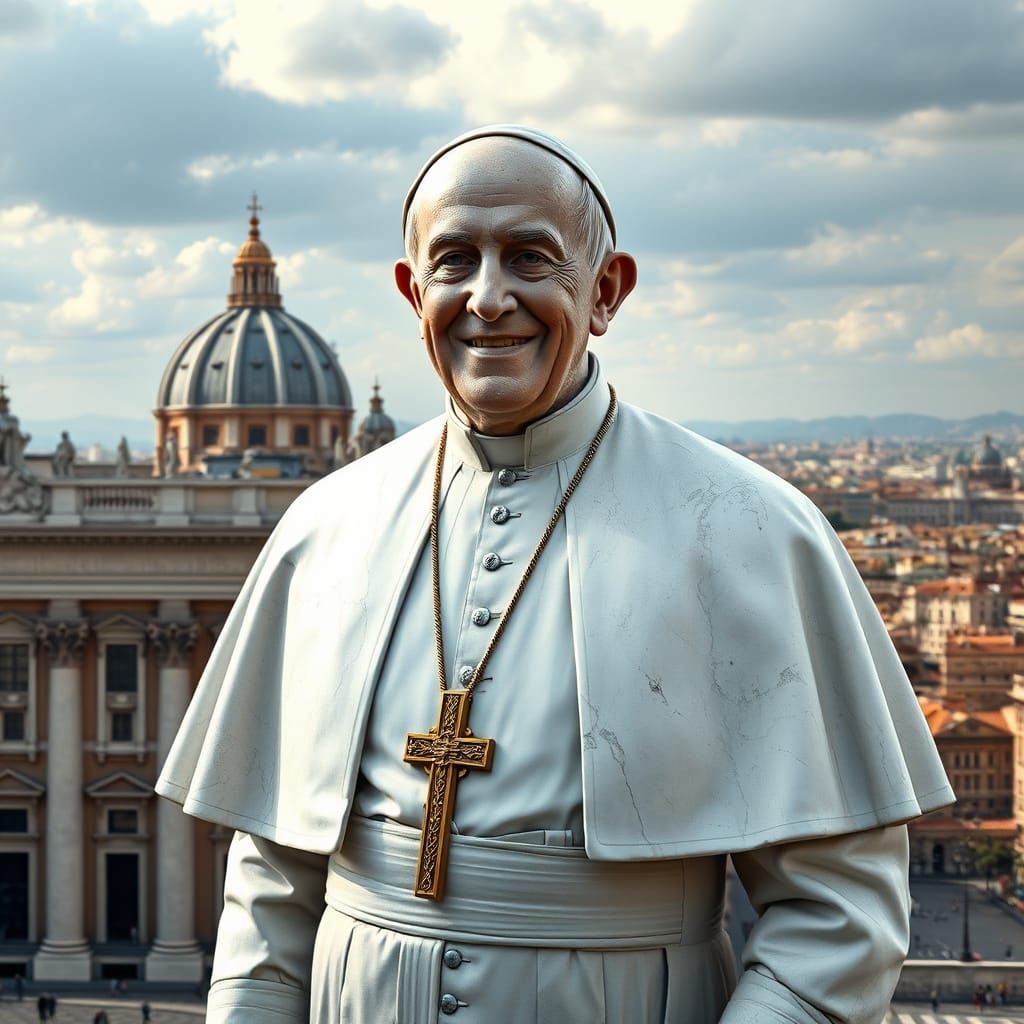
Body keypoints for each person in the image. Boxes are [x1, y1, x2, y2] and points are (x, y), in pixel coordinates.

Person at [158, 125, 954, 1023]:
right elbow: (271, 884)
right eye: (455, 260)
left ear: (607, 290)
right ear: (412, 289)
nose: (489, 298)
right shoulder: (326, 527)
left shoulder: (750, 530)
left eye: (530, 259)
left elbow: (839, 919)